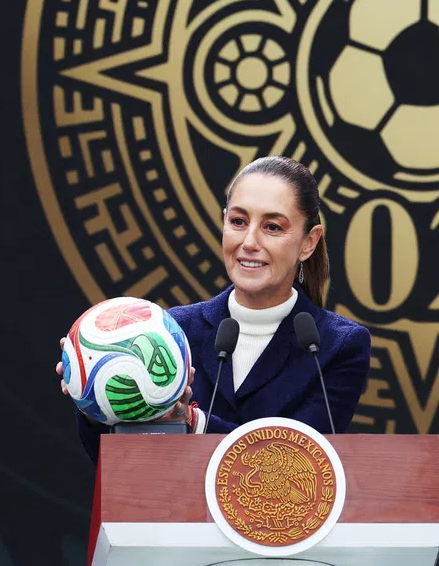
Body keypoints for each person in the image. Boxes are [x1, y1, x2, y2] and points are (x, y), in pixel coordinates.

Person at [56, 156, 372, 462]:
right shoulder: (172, 331)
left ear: (309, 242)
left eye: (272, 227)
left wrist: (193, 423)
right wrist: (93, 396)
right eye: (238, 221)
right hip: (170, 514)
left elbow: (300, 465)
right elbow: (115, 460)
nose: (249, 241)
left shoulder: (336, 345)